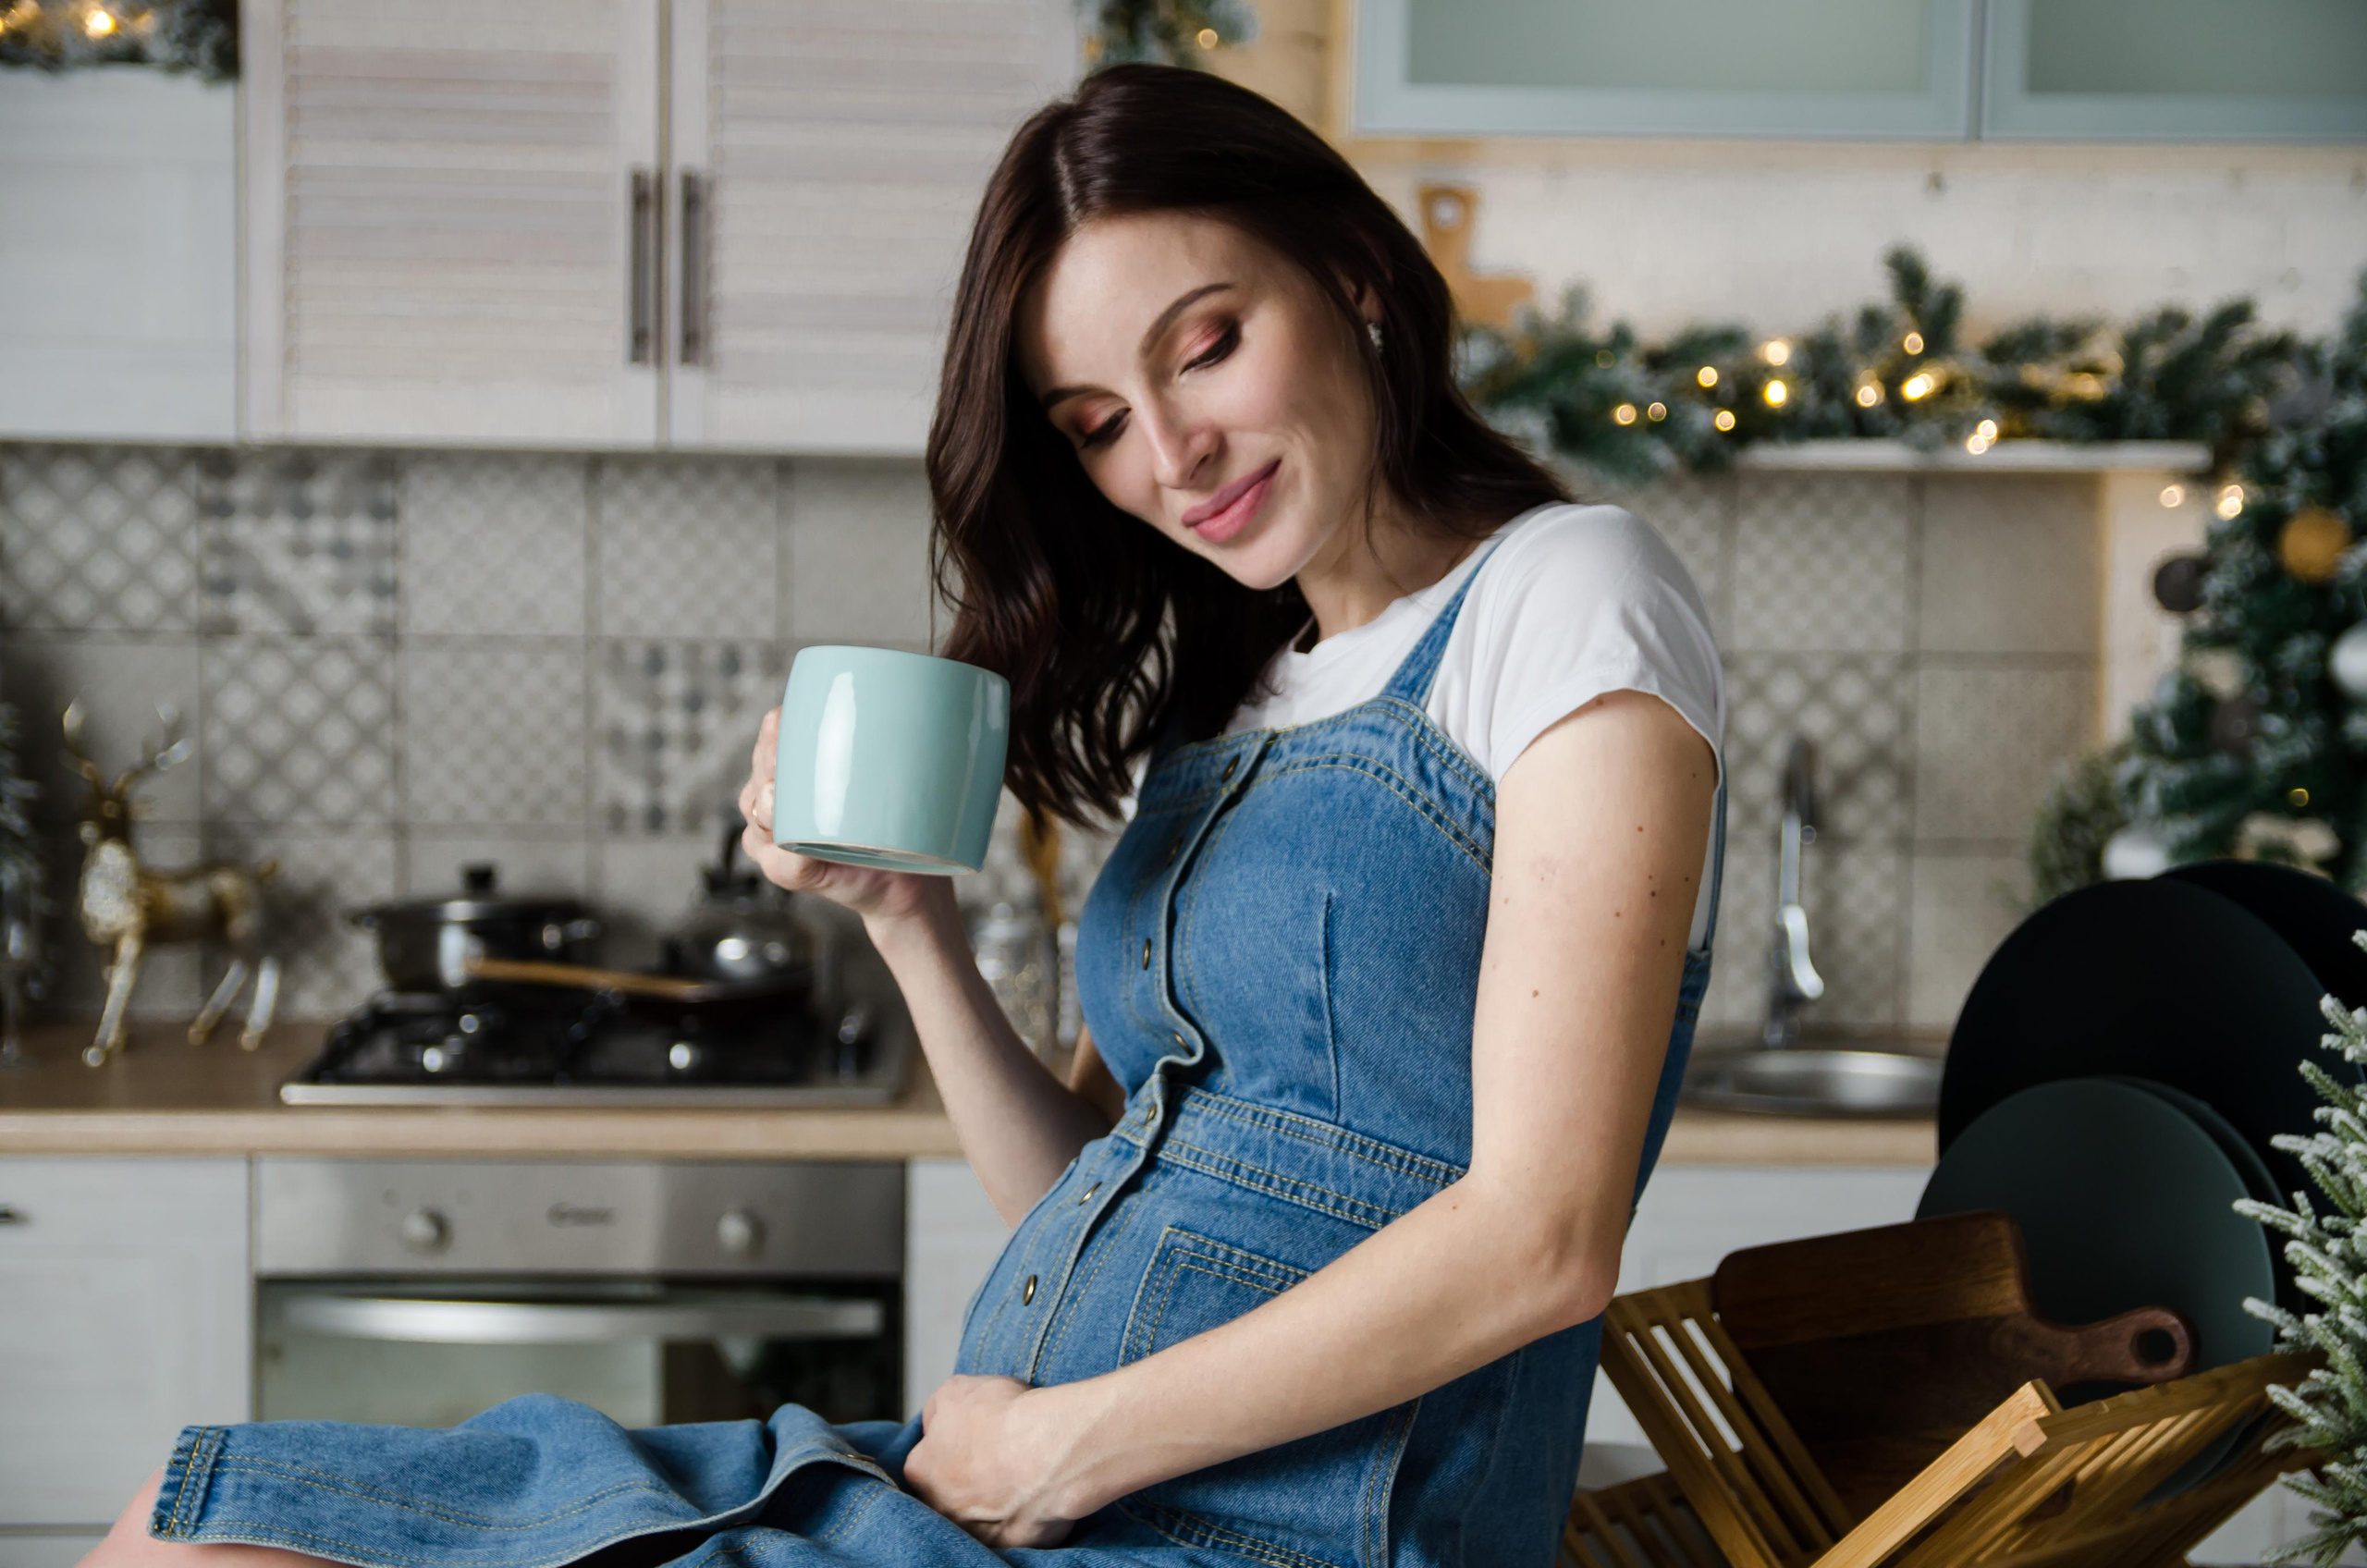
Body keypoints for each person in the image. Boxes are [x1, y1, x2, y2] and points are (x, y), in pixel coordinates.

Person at [84, 62, 1723, 1568]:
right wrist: (905, 924)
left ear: (1352, 278)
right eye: (1095, 424)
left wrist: (1062, 1453)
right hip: (1004, 1487)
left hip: (1248, 1532)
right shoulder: (1238, 688)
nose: (1171, 454)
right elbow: (1097, 1184)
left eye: (1208, 343)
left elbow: (1540, 1238)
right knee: (182, 1529)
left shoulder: (1564, 595)